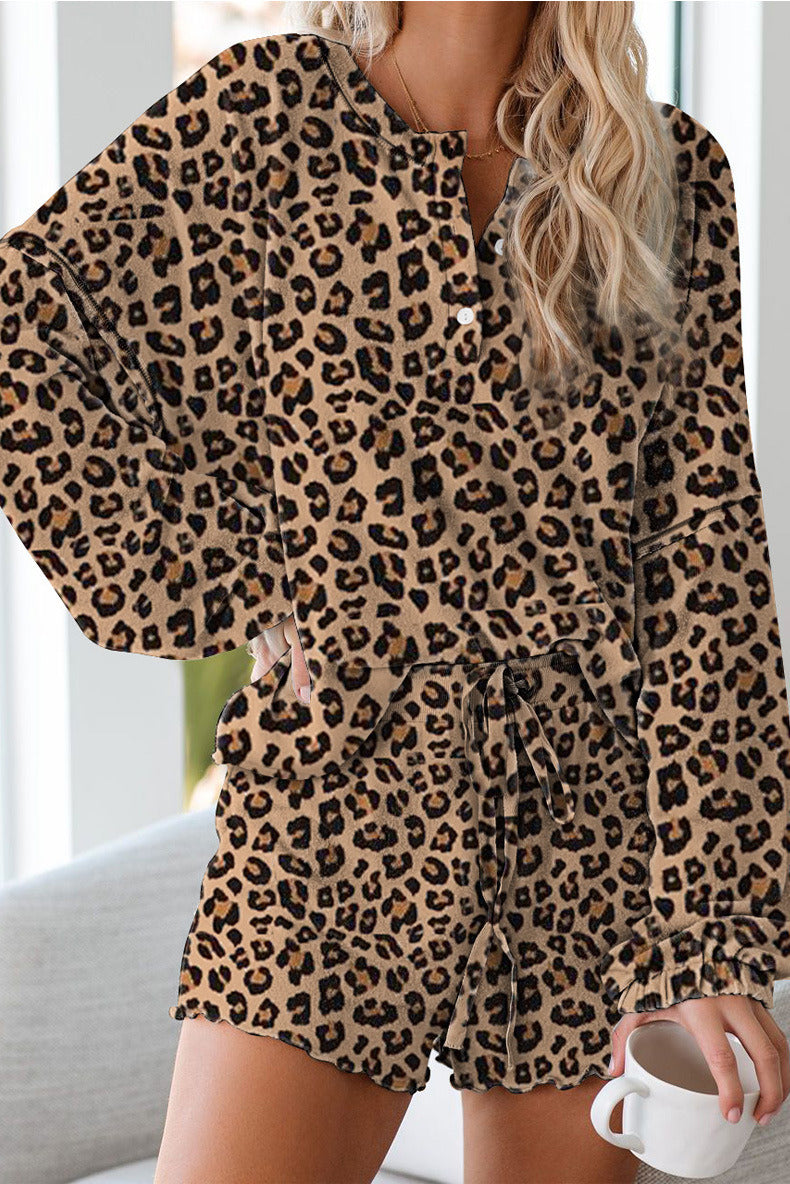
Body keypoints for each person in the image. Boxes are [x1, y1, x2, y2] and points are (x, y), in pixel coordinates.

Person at [1, 2, 788, 1181]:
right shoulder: (264, 116)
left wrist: (712, 936)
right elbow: (23, 325)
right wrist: (228, 576)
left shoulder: (668, 177)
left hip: (586, 839)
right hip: (330, 806)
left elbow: (705, 572)